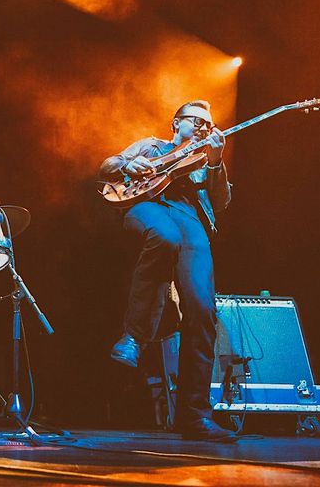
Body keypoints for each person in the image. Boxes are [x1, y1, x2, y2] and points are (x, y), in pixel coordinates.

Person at [98, 99, 239, 441]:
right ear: (176, 123)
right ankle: (134, 336)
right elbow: (108, 166)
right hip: (147, 205)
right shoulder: (151, 145)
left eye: (208, 124)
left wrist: (217, 161)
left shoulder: (204, 161)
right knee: (164, 236)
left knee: (203, 310)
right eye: (196, 121)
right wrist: (128, 164)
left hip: (190, 218)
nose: (204, 128)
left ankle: (194, 415)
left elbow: (221, 202)